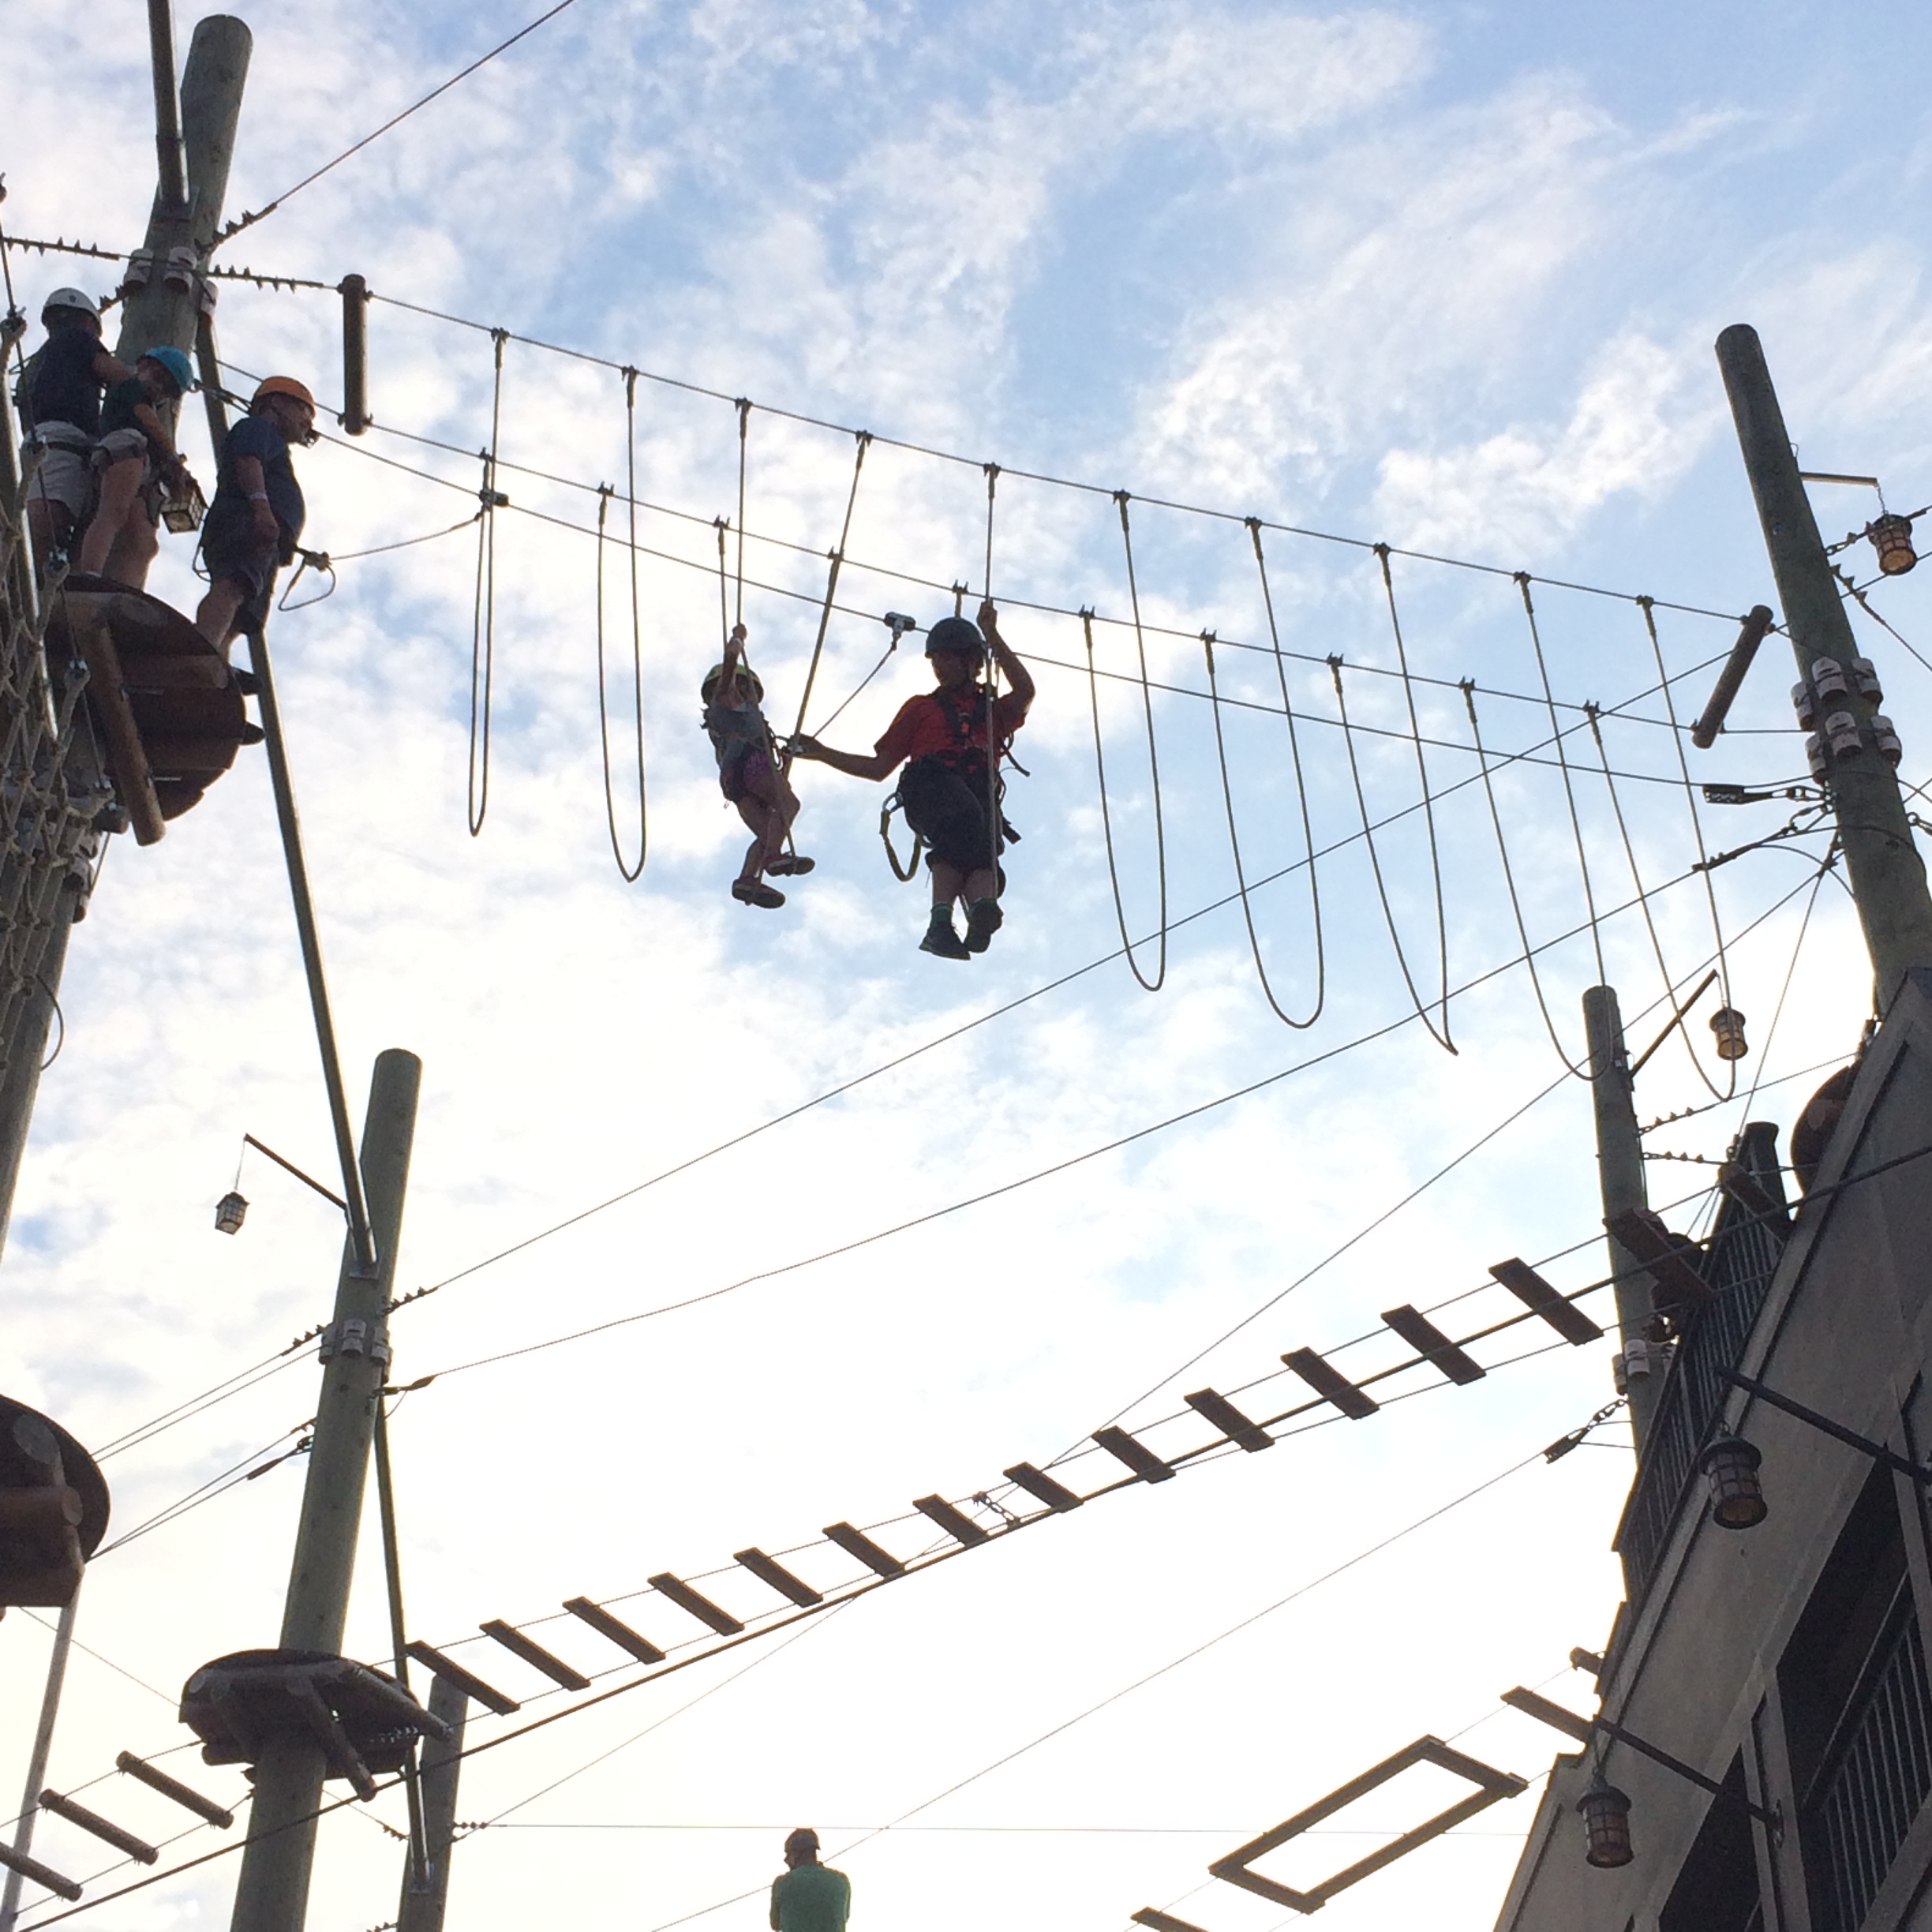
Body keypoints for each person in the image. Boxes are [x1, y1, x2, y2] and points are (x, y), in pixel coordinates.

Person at [792, 600, 1033, 959]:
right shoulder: (922, 708)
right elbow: (879, 768)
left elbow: (1025, 691)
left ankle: (978, 909)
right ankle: (941, 921)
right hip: (931, 787)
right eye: (935, 660)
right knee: (964, 819)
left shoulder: (991, 711)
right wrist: (823, 752)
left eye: (944, 659)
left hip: (976, 793)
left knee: (984, 848)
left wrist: (992, 634)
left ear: (970, 662)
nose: (938, 667)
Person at [11, 288, 134, 569]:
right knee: (50, 514)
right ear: (88, 321)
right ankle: (33, 581)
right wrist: (145, 386)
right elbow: (114, 373)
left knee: (40, 511)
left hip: (38, 444)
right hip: (65, 441)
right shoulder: (78, 337)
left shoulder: (36, 364)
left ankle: (29, 577)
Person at [193, 374, 315, 655]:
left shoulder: (274, 442)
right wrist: (261, 509)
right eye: (304, 410)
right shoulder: (260, 428)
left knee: (245, 609)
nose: (308, 421)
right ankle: (202, 649)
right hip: (246, 521)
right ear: (276, 402)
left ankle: (217, 662)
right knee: (233, 585)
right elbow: (249, 460)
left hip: (264, 536)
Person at [702, 621, 813, 909]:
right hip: (750, 766)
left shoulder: (734, 718)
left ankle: (747, 878)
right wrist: (738, 639)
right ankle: (774, 857)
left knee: (767, 832)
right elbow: (729, 662)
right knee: (789, 805)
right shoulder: (726, 700)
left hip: (734, 781)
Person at [76, 346, 197, 588]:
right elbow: (145, 417)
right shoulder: (132, 387)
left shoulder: (143, 399)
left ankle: (124, 590)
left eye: (168, 389)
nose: (159, 388)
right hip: (124, 447)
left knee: (143, 541)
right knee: (114, 511)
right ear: (144, 366)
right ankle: (88, 575)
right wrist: (172, 456)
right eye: (160, 377)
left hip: (138, 460)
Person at [769, 1828, 849, 1932]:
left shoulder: (782, 1883)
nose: (786, 1860)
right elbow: (843, 1917)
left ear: (798, 1853)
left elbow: (775, 1925)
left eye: (788, 1853)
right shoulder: (841, 1881)